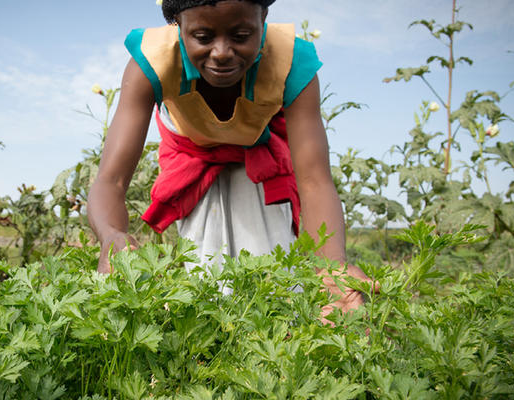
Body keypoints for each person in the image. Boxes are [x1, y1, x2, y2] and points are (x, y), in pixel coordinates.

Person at [87, 0, 373, 320]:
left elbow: (315, 179)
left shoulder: (292, 62)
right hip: (192, 156)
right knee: (204, 280)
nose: (221, 52)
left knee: (276, 289)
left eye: (240, 35)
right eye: (203, 37)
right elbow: (110, 180)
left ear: (263, 19)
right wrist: (111, 235)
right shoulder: (151, 63)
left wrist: (332, 267)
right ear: (177, 26)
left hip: (260, 158)